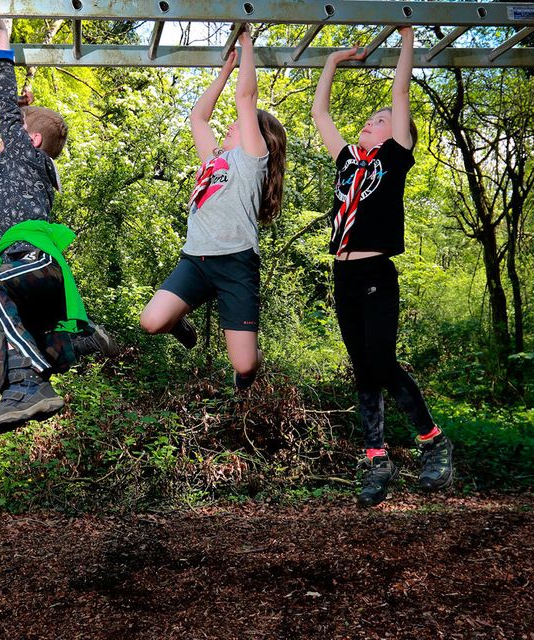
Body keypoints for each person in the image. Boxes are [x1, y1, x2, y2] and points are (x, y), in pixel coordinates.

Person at [311, 26, 453, 507]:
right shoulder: (349, 161)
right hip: (343, 274)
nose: (371, 122)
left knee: (381, 359)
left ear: (398, 132)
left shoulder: (396, 158)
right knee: (362, 368)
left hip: (376, 274)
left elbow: (399, 88)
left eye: (380, 118)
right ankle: (377, 459)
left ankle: (433, 441)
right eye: (370, 119)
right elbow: (320, 113)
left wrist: (407, 36)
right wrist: (331, 62)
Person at [0, 18, 116, 436]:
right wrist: (1, 114)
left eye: (14, 131)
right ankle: (75, 345)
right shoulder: (9, 164)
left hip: (32, 261)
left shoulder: (27, 159)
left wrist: (3, 37)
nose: (2, 140)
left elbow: (7, 103)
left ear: (29, 141)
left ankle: (27, 388)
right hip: (23, 275)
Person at [139, 27, 286, 392]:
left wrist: (247, 44)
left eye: (239, 124)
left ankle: (248, 374)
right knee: (151, 321)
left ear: (259, 137)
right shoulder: (214, 161)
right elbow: (199, 118)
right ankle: (179, 321)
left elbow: (246, 98)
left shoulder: (252, 161)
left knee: (245, 363)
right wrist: (223, 73)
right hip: (196, 261)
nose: (232, 125)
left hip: (236, 264)